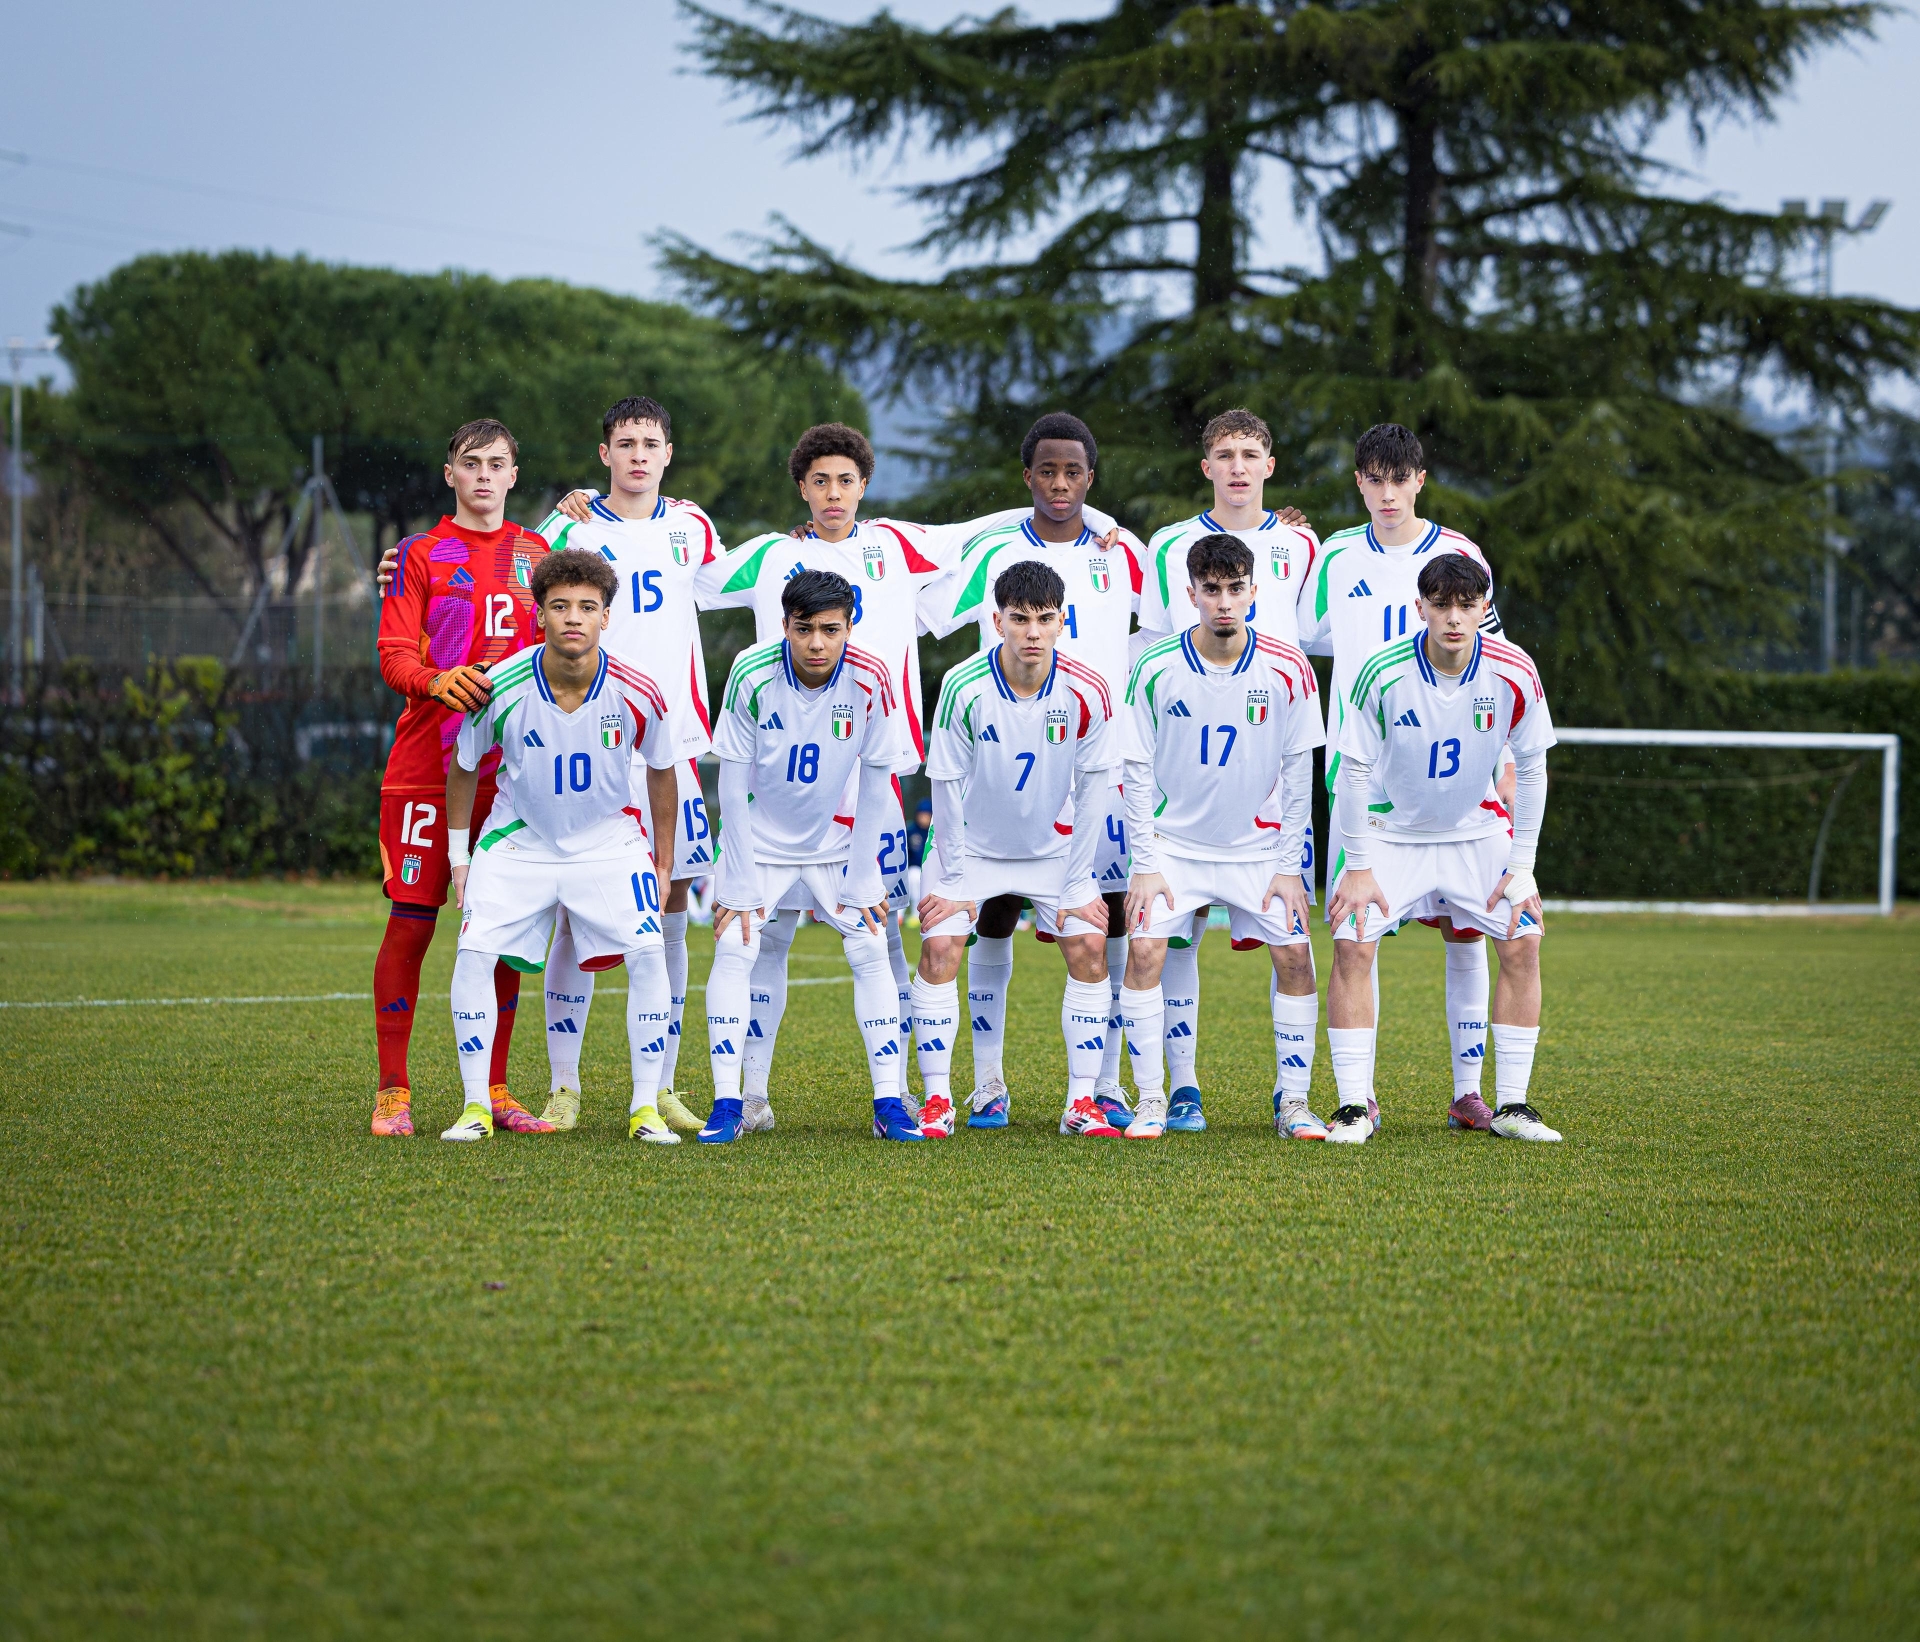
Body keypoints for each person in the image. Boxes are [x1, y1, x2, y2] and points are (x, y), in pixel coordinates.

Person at [921, 412, 1148, 1131]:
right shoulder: (993, 552)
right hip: (995, 779)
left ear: (1091, 478)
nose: (1059, 484)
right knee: (988, 917)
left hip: (1091, 765)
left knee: (1105, 921)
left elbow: (1178, 613)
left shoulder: (1122, 551)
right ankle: (984, 1084)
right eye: (1046, 471)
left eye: (1073, 472)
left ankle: (1102, 1087)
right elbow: (916, 582)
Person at [1300, 423, 1512, 1132]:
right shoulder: (1333, 557)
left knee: (1467, 934)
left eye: (1400, 480)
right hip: (1364, 778)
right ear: (1358, 482)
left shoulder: (1461, 554)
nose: (1387, 494)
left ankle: (1468, 1092)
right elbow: (1300, 638)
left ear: (1420, 480)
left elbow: (1495, 659)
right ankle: (1356, 1096)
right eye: (1374, 480)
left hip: (1454, 778)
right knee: (1355, 936)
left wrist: (1506, 762)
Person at [440, 548, 689, 1142]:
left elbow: (662, 771)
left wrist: (663, 860)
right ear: (540, 614)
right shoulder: (498, 685)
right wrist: (459, 856)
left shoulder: (639, 689)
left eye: (586, 606)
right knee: (473, 953)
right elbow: (464, 766)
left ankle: (644, 1108)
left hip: (608, 841)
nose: (573, 617)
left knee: (648, 952)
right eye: (559, 606)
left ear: (606, 616)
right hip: (518, 840)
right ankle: (474, 1108)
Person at [526, 397, 724, 1137]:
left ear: (668, 453)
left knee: (671, 907)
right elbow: (508, 579)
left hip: (671, 748)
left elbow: (750, 583)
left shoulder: (692, 526)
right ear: (604, 452)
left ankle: (662, 1084)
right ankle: (564, 1087)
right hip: (590, 745)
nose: (638, 454)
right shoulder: (569, 526)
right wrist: (398, 569)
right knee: (573, 913)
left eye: (651, 442)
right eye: (625, 442)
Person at [1323, 554, 1561, 1143]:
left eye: (1466, 605)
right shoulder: (1382, 670)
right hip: (1391, 832)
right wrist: (1358, 867)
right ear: (1420, 608)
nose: (1454, 618)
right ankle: (1353, 1107)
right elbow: (1353, 771)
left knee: (1523, 940)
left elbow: (1532, 770)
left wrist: (1523, 866)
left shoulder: (1514, 669)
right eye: (1441, 605)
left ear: (1485, 608)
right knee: (1352, 943)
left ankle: (1513, 1105)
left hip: (1475, 831)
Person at [1136, 408, 1321, 1132]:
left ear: (1269, 466)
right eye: (1225, 454)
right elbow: (1152, 645)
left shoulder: (1301, 544)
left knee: (1296, 954)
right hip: (1182, 798)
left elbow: (1325, 631)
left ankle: (1294, 1097)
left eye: (1251, 453)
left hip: (1264, 799)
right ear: (1206, 465)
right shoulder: (1168, 547)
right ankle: (1171, 1091)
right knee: (1168, 942)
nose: (1238, 466)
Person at [367, 419, 551, 1139]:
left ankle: (496, 1090)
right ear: (450, 474)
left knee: (500, 931)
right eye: (470, 463)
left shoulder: (537, 555)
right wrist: (438, 680)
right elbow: (392, 656)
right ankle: (393, 1090)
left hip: (511, 777)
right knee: (411, 925)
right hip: (425, 770)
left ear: (513, 475)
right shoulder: (419, 554)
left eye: (496, 464)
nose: (483, 475)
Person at [701, 569, 922, 1143]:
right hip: (761, 840)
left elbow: (878, 779)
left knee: (871, 946)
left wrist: (864, 875)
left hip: (836, 840)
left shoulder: (872, 675)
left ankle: (889, 1102)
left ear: (849, 627)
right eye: (804, 630)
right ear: (785, 626)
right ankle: (733, 1103)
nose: (817, 643)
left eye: (830, 629)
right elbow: (731, 783)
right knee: (736, 946)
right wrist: (739, 879)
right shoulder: (750, 671)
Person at [914, 560, 1122, 1137]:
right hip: (970, 849)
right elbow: (945, 786)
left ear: (1062, 622)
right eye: (1020, 618)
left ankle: (1081, 1103)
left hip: (1052, 851)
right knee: (940, 947)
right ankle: (940, 1099)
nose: (1033, 632)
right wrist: (954, 881)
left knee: (1089, 944)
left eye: (1045, 619)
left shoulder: (1088, 689)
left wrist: (1078, 882)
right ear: (997, 621)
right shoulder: (962, 685)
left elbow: (1094, 792)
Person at [904, 796, 933, 912]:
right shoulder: (911, 830)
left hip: (931, 869)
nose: (923, 818)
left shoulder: (935, 831)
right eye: (921, 815)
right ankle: (914, 913)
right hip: (914, 869)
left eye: (926, 815)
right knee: (914, 877)